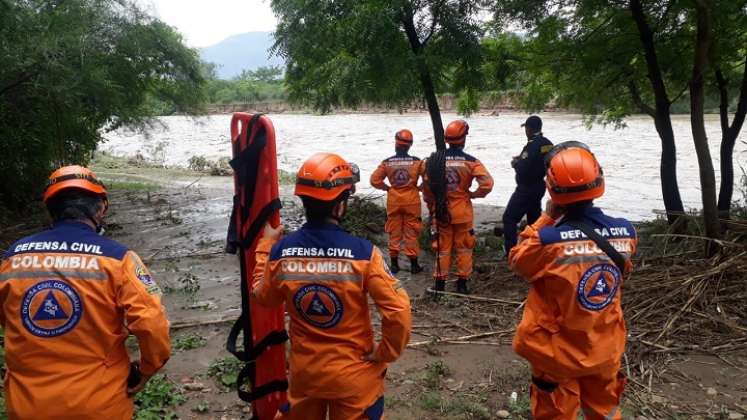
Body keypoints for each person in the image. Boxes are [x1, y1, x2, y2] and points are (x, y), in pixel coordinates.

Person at [0, 165, 171, 420]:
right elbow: (152, 324)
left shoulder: (12, 257)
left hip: (28, 404)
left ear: (51, 210)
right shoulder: (118, 259)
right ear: (101, 208)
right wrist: (147, 369)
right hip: (100, 403)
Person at [251, 152, 412, 420]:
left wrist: (265, 247)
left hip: (306, 376)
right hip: (354, 376)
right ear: (339, 206)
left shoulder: (281, 253)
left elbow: (263, 296)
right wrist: (385, 352)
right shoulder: (364, 254)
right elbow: (399, 311)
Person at [509, 142, 638, 420]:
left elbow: (517, 260)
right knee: (606, 411)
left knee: (554, 411)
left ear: (551, 190)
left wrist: (547, 217)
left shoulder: (545, 242)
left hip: (557, 354)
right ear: (599, 180)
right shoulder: (627, 232)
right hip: (604, 347)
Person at [423, 120, 494, 295]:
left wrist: (432, 205)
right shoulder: (471, 162)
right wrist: (473, 194)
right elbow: (487, 183)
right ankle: (462, 284)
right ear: (463, 139)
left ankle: (439, 286)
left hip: (441, 212)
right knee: (464, 248)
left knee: (442, 249)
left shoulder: (434, 161)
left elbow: (426, 186)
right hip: (462, 211)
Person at [370, 129, 424, 274]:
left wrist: (387, 188)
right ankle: (414, 265)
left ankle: (394, 265)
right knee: (411, 232)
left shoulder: (387, 163)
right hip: (412, 201)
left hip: (394, 200)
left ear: (396, 144)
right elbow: (429, 178)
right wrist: (421, 187)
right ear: (409, 145)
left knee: (394, 232)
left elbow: (374, 180)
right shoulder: (417, 162)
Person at [502, 115, 553, 256]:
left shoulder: (532, 145)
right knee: (534, 221)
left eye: (526, 128)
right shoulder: (548, 144)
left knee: (509, 218)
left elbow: (524, 169)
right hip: (539, 187)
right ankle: (536, 251)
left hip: (526, 189)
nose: (526, 131)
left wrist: (515, 164)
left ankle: (510, 251)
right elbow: (548, 163)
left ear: (529, 129)